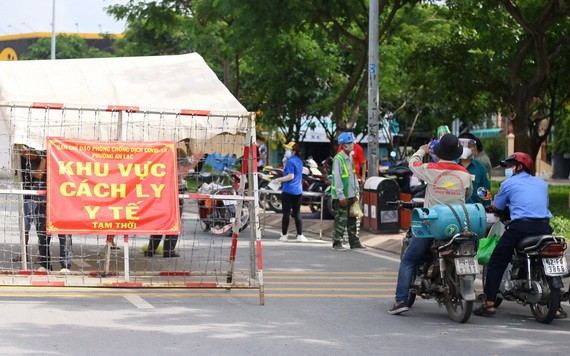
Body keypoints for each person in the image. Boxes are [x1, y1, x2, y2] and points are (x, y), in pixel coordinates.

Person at [473, 152, 565, 318]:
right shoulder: (541, 183)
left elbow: (498, 206)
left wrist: (493, 207)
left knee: (497, 260)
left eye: (510, 166)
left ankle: (489, 304)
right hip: (545, 228)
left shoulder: (509, 183)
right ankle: (557, 307)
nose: (508, 169)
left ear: (520, 167)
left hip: (520, 228)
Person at [389, 133, 472, 314]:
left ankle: (401, 301)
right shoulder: (465, 174)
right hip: (458, 224)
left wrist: (422, 150)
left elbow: (412, 164)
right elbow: (468, 195)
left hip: (432, 224)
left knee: (409, 259)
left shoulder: (430, 169)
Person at [144, 147, 190, 258]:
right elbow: (186, 168)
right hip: (175, 193)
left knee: (160, 221)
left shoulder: (159, 156)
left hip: (161, 192)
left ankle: (151, 249)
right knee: (174, 222)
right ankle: (168, 250)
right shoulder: (178, 152)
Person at [33, 151, 73, 272]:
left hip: (62, 203)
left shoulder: (66, 160)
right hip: (43, 203)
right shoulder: (40, 158)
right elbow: (37, 176)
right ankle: (45, 265)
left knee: (65, 236)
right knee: (43, 236)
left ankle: (66, 265)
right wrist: (45, 159)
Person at [330, 132, 366, 251]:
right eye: (350, 143)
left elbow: (352, 175)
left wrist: (355, 192)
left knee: (352, 218)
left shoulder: (350, 157)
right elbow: (337, 178)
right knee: (341, 219)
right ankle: (337, 242)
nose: (353, 145)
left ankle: (354, 242)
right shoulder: (338, 159)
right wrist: (341, 196)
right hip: (342, 196)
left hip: (350, 194)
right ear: (344, 146)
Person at [273, 142, 307, 242]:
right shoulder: (299, 161)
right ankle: (300, 235)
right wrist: (284, 162)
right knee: (297, 213)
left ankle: (284, 235)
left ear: (293, 151)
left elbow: (290, 176)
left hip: (288, 190)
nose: (286, 151)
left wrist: (278, 180)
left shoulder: (290, 162)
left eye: (288, 149)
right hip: (298, 191)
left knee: (286, 213)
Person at [457, 136, 491, 207]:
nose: (465, 149)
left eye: (469, 146)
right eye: (462, 146)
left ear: (474, 149)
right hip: (455, 210)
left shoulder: (481, 168)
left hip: (474, 212)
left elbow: (485, 191)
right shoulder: (453, 165)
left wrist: (487, 207)